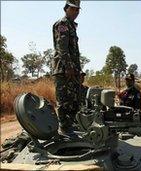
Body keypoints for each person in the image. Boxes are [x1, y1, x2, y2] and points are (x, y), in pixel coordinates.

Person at [52, 0, 82, 136]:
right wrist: (69, 67)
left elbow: (74, 52)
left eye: (78, 10)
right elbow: (62, 48)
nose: (76, 12)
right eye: (73, 9)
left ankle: (71, 128)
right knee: (64, 101)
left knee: (74, 100)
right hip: (63, 69)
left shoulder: (72, 26)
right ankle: (64, 129)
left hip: (72, 70)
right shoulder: (63, 24)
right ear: (66, 8)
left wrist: (78, 71)